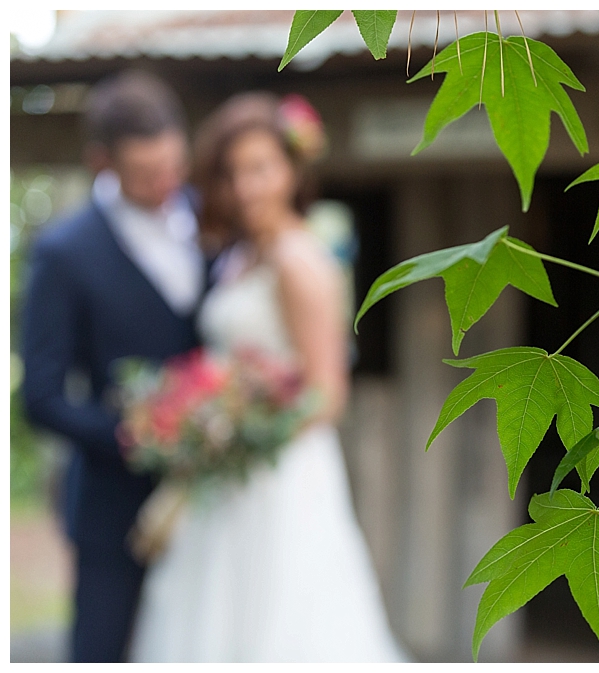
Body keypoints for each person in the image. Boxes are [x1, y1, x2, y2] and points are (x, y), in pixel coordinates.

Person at [128, 92, 406, 662]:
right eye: (232, 174)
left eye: (260, 169)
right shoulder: (241, 255)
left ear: (290, 170)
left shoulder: (301, 261)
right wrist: (203, 418)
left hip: (281, 475)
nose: (246, 187)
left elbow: (328, 394)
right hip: (225, 477)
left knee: (283, 624)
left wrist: (237, 426)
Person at [20, 70, 206, 662]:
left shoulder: (216, 221)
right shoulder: (63, 252)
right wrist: (139, 435)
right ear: (103, 163)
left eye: (174, 166)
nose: (166, 184)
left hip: (215, 498)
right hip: (110, 508)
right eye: (147, 174)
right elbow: (41, 396)